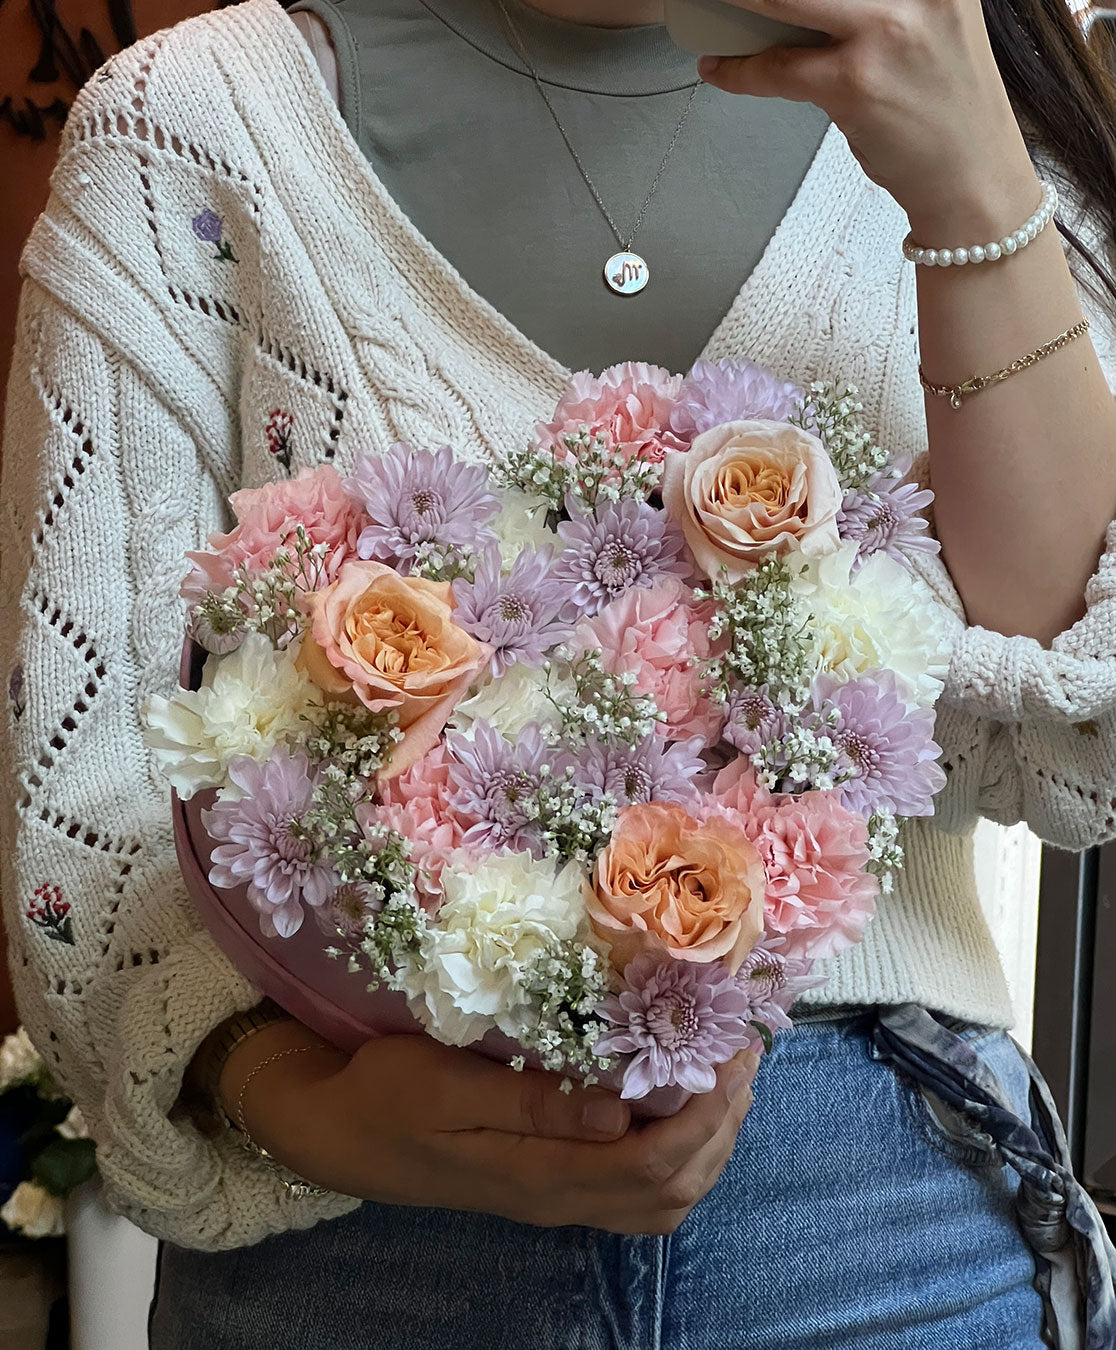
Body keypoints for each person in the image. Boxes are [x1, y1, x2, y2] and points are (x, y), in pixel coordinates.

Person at [2, 0, 1116, 1344]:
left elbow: (1075, 734)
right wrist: (303, 1104)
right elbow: (92, 834)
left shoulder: (967, 92)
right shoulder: (194, 127)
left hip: (893, 1231)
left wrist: (975, 188)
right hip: (355, 1260)